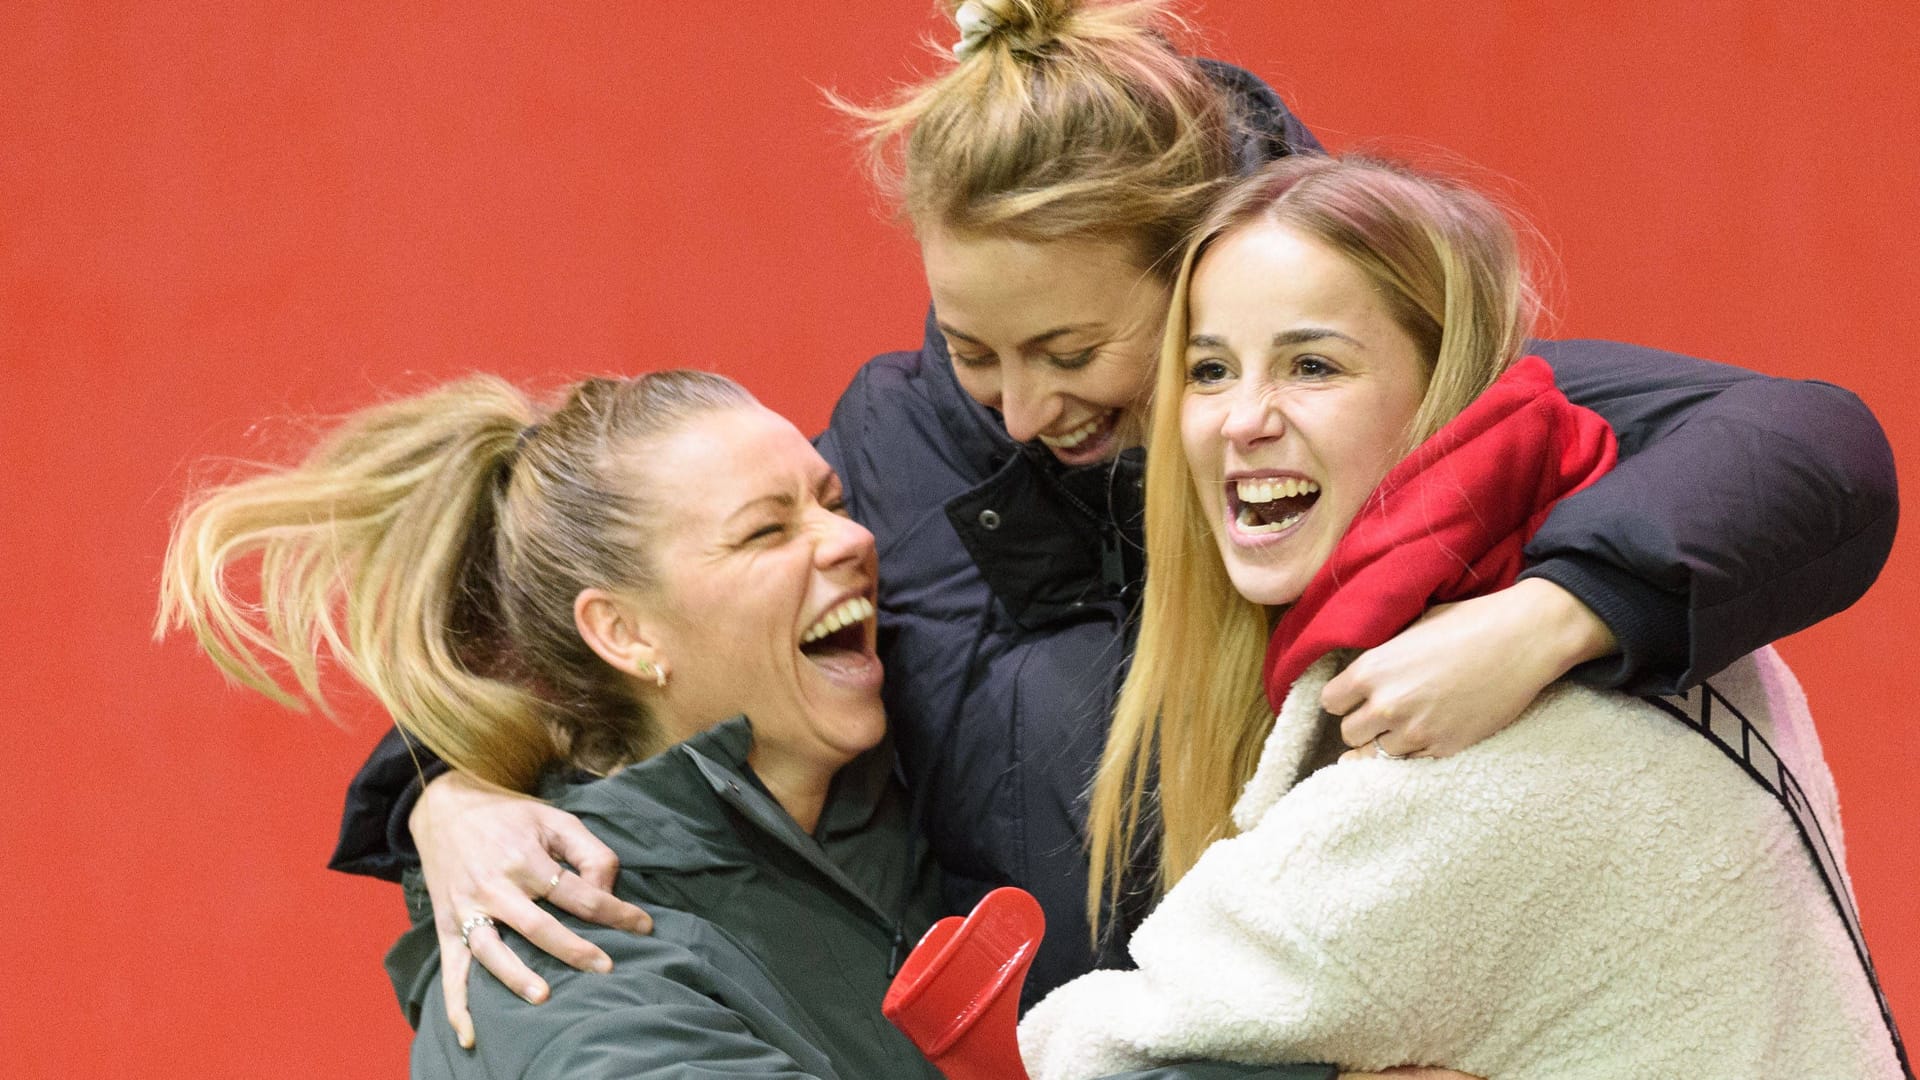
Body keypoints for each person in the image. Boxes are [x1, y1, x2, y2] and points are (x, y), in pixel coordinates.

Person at [334, 0, 1899, 1033]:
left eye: (1077, 354)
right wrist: (445, 791)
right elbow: (635, 616)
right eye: (973, 347)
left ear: (1205, 273)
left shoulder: (1359, 394)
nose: (1017, 409)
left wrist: (1550, 614)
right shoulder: (897, 447)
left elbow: (1809, 447)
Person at [1018, 154, 1903, 1079]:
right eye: (1209, 369)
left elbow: (1076, 1060)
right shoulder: (1667, 624)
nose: (1244, 418)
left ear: (1449, 386)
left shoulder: (1436, 785)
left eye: (1312, 365)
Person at [155, 372, 950, 1078]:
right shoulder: (556, 970)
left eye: (833, 501)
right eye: (765, 532)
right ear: (626, 635)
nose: (853, 539)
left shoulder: (897, 775)